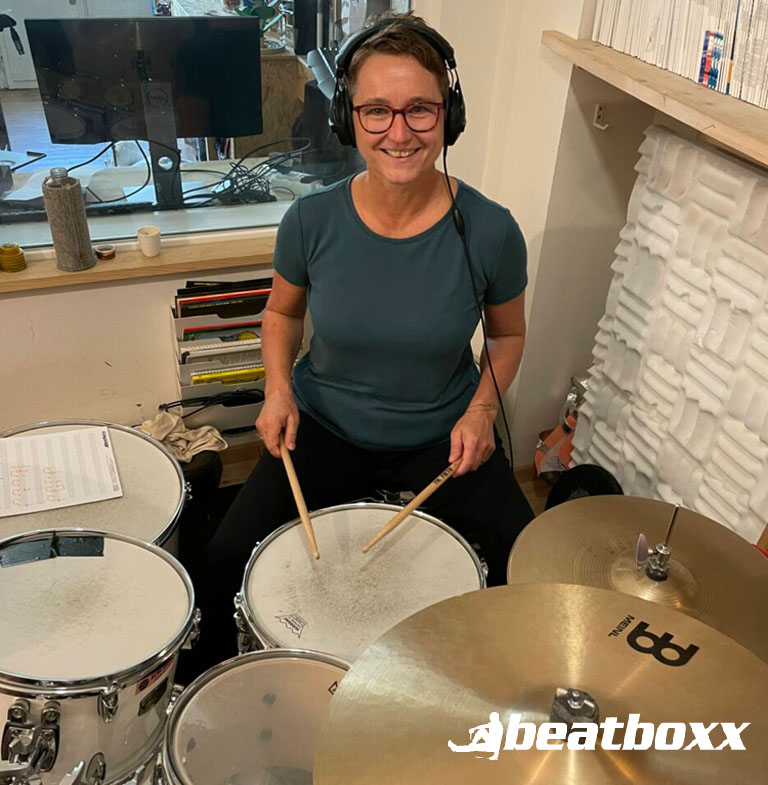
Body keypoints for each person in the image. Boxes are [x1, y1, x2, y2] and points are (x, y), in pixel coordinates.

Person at [195, 11, 534, 674]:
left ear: (449, 115)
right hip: (324, 427)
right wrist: (278, 390)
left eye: (420, 110)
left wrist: (482, 412)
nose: (398, 133)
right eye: (376, 110)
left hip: (443, 436)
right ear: (347, 118)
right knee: (222, 562)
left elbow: (509, 333)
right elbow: (280, 315)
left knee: (528, 569)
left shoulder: (492, 231)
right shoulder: (310, 220)